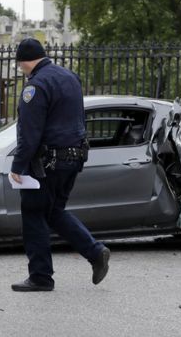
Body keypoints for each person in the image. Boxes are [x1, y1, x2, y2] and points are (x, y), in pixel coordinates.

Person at [9, 38, 110, 292]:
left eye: (20, 65)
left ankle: (41, 277)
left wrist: (18, 165)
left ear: (23, 61)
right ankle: (95, 252)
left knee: (33, 214)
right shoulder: (70, 77)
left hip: (46, 162)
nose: (21, 69)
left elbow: (30, 133)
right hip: (73, 158)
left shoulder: (36, 86)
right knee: (53, 212)